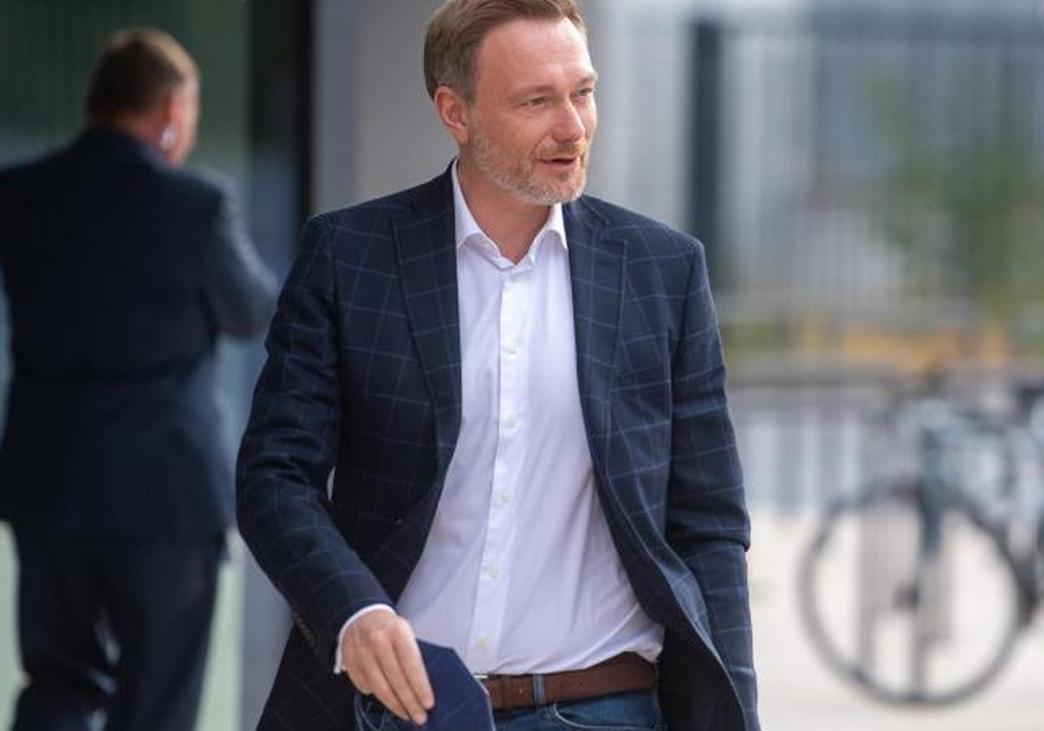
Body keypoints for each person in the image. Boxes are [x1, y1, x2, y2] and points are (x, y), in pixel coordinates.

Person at [235, 0, 758, 729]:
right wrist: (352, 610)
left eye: (583, 92)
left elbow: (709, 528)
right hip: (401, 710)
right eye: (537, 101)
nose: (573, 127)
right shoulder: (352, 258)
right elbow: (275, 475)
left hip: (604, 706)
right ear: (457, 112)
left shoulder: (662, 271)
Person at [0, 28, 277, 731]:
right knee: (159, 699)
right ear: (173, 111)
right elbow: (252, 312)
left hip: (49, 484)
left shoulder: (20, 195)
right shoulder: (196, 205)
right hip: (165, 496)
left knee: (57, 683)